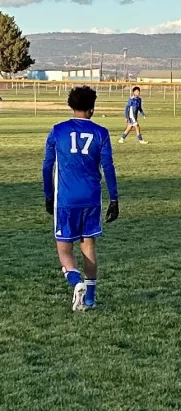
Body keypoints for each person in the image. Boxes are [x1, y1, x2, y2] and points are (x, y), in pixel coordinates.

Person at [42, 86, 120, 311]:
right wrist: (114, 199)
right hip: (91, 198)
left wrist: (48, 195)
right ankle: (90, 299)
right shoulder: (101, 133)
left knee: (64, 250)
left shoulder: (58, 130)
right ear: (92, 109)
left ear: (70, 106)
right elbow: (108, 167)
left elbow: (47, 166)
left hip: (65, 199)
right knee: (89, 247)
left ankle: (76, 283)